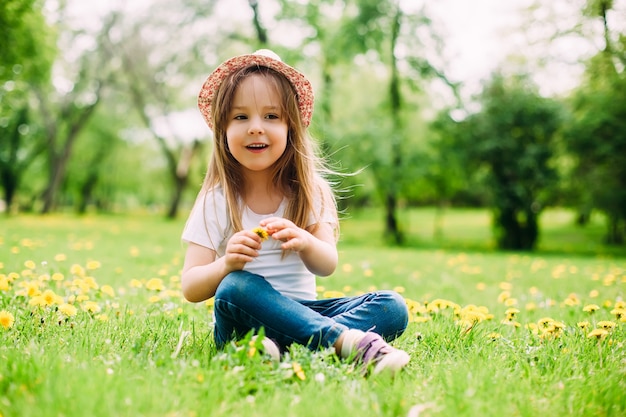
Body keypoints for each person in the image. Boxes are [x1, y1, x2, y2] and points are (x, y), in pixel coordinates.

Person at [181, 49, 410, 374]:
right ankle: (345, 343)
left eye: (271, 116)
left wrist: (305, 242)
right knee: (235, 286)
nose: (256, 128)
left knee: (391, 306)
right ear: (222, 129)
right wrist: (225, 265)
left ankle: (284, 351)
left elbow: (327, 265)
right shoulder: (216, 200)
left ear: (291, 127)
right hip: (243, 320)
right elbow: (191, 286)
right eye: (240, 116)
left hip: (306, 311)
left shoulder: (309, 191)